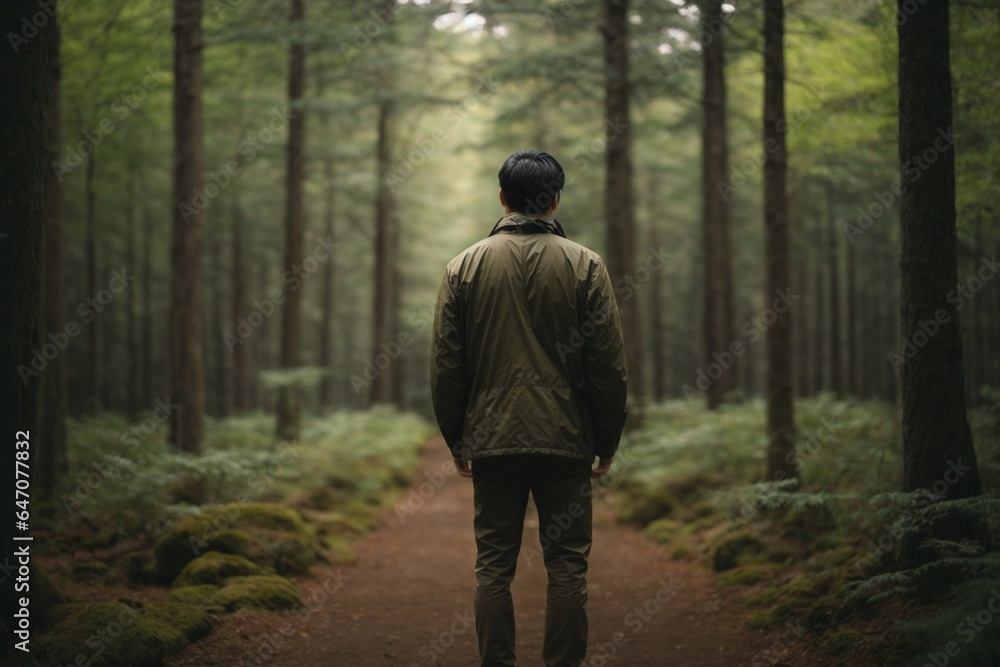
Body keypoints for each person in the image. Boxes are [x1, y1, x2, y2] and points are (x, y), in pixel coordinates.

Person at [430, 149, 628, 667]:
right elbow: (608, 366)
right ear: (555, 199)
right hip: (566, 440)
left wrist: (458, 439)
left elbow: (447, 367)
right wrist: (606, 441)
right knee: (567, 566)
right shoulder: (586, 265)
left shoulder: (463, 267)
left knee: (493, 567)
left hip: (493, 439)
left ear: (502, 198)